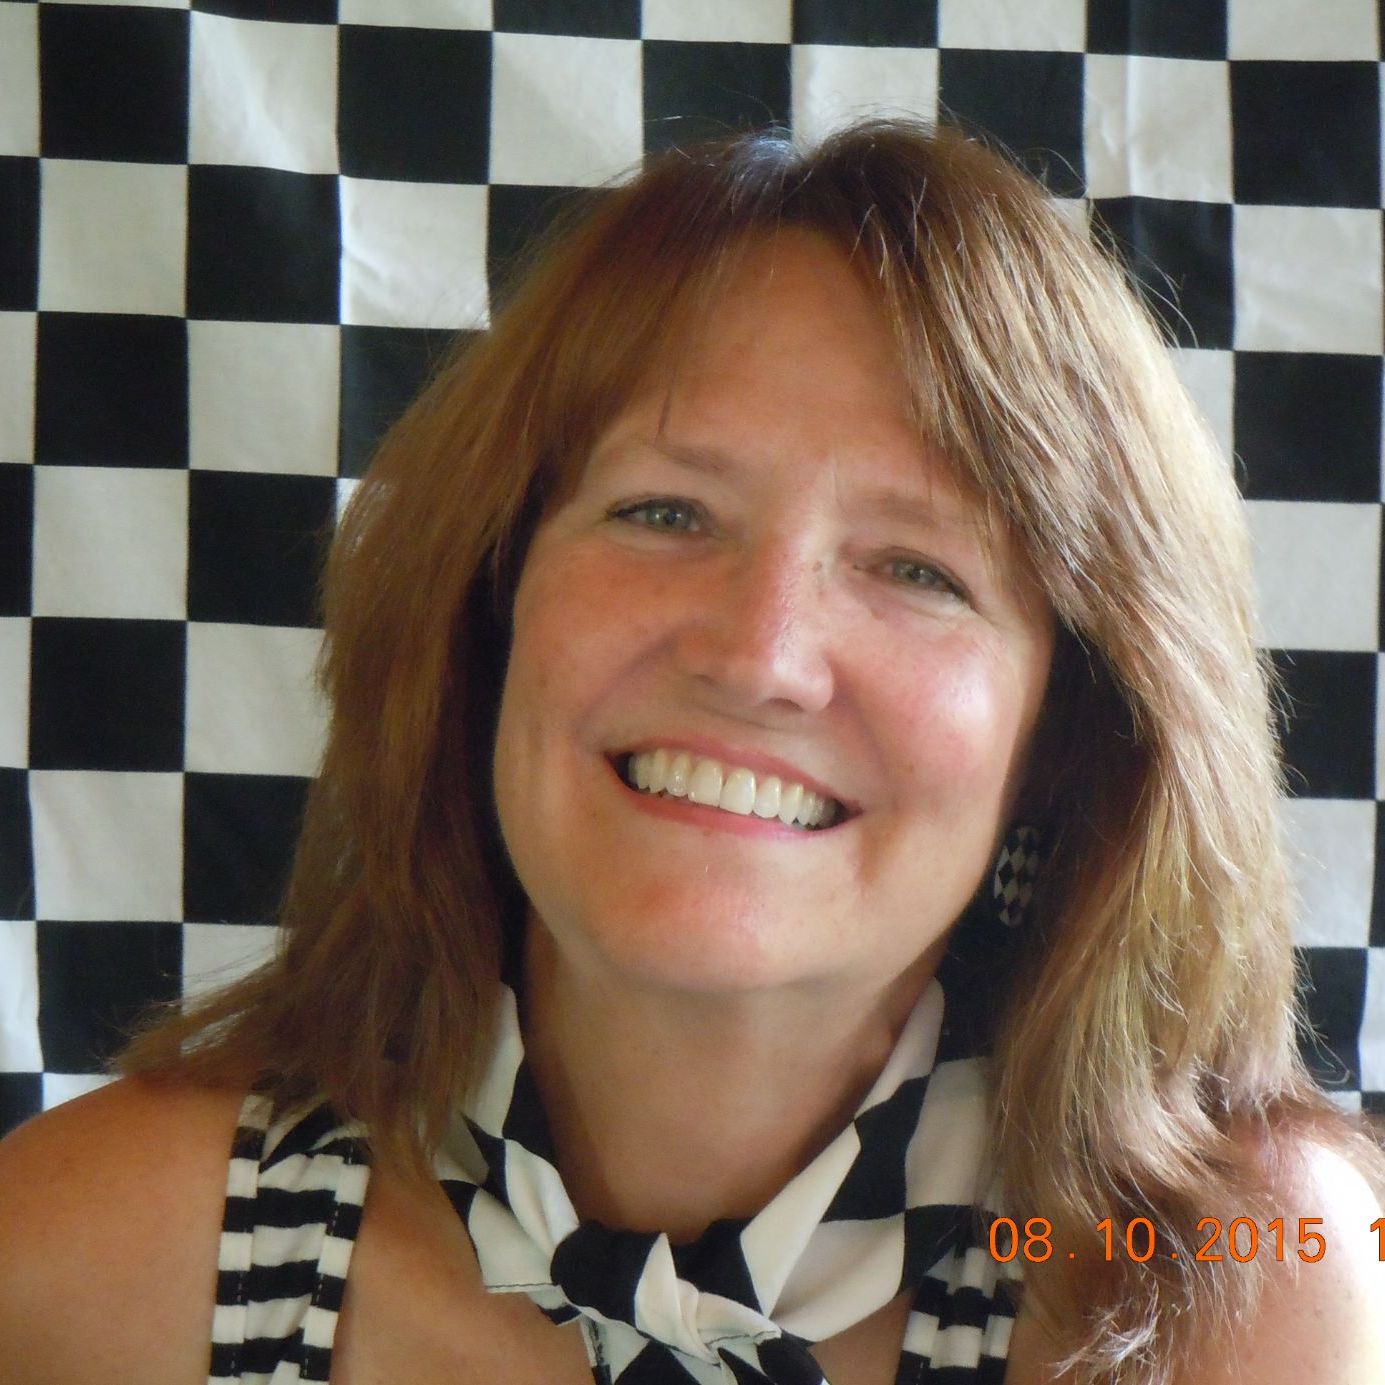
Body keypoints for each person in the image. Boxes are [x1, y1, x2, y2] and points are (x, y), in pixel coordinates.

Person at [1, 119, 1383, 1385]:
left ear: (1070, 739)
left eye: (917, 568)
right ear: (487, 608)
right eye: (664, 512)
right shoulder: (83, 1263)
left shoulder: (1245, 1286)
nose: (760, 654)